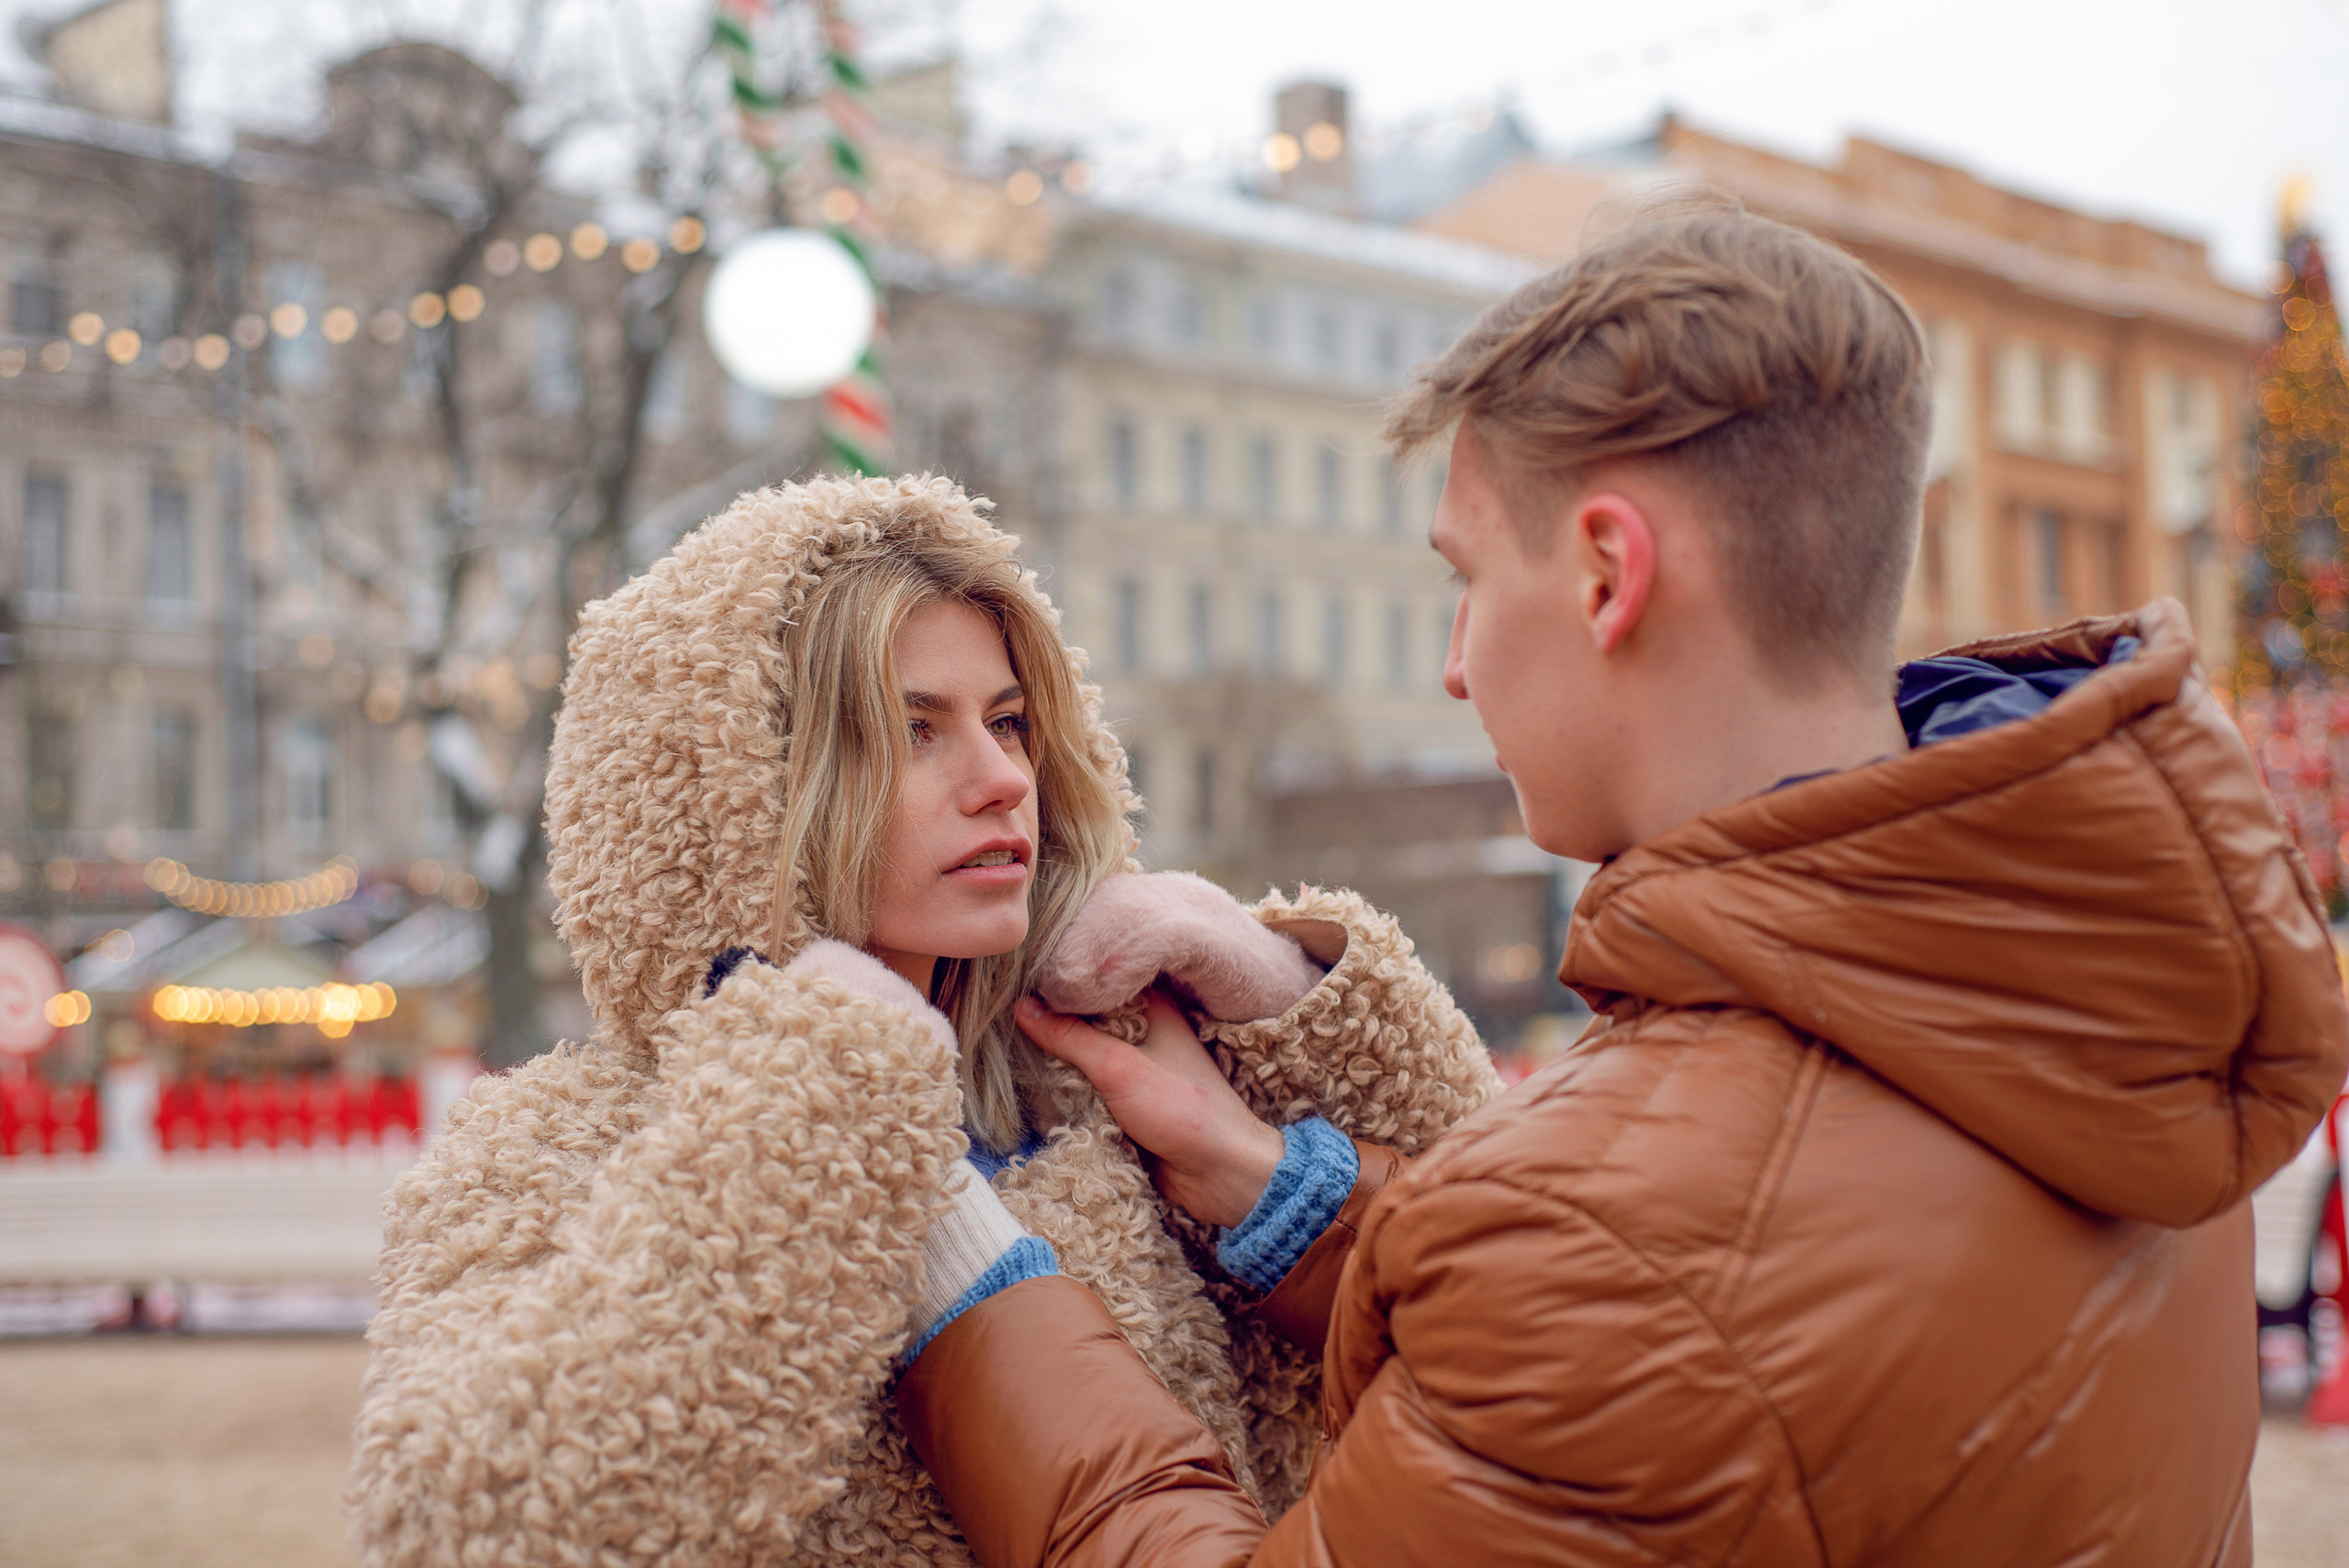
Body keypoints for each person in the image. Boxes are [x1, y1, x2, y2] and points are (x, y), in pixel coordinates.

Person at [888, 202, 2349, 1566]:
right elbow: (1720, 1355)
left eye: (1469, 577)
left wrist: (970, 1278)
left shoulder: (1627, 1243)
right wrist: (1280, 1189)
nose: (1454, 663)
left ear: (1605, 574)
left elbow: (1650, 1306)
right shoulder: (2099, 974)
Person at [344, 476, 1500, 1567]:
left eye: (1009, 721)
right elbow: (472, 1521)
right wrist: (810, 1112)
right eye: (914, 730)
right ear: (747, 789)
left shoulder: (1122, 1094)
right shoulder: (562, 1150)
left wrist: (1274, 999)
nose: (1002, 776)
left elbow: (1545, 1321)